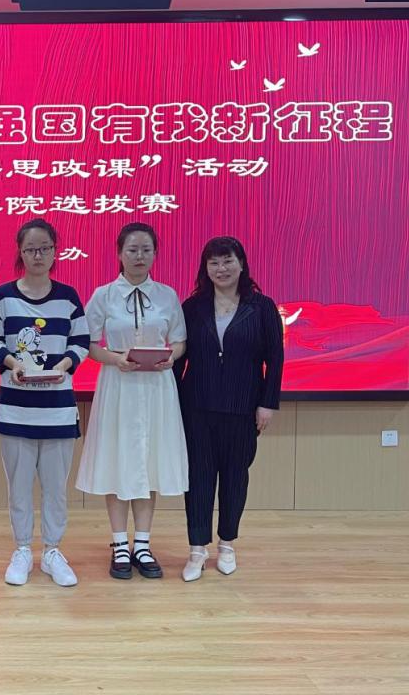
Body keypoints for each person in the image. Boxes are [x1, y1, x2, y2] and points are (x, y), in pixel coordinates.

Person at [75, 222, 188, 580]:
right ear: (119, 253)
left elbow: (180, 340)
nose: (139, 256)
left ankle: (143, 543)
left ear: (155, 254)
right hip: (119, 386)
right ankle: (120, 543)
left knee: (149, 461)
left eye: (146, 250)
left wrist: (171, 357)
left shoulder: (167, 295)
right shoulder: (104, 295)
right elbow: (87, 344)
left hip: (157, 389)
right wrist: (115, 359)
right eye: (132, 250)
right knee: (117, 460)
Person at [0, 219, 90, 587]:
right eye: (31, 249)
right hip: (16, 408)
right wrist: (13, 364)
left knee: (56, 488)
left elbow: (81, 342)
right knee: (19, 485)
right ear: (21, 253)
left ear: (55, 252)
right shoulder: (4, 296)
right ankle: (23, 549)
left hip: (57, 409)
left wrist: (64, 366)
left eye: (44, 248)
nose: (38, 255)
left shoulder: (68, 297)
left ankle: (53, 551)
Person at [175, 236, 284, 581]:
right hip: (197, 407)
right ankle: (197, 549)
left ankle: (227, 544)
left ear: (241, 264)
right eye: (214, 263)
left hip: (243, 407)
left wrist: (267, 403)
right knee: (198, 478)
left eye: (228, 261)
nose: (221, 269)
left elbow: (275, 359)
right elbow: (180, 358)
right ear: (205, 268)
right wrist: (171, 402)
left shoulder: (261, 307)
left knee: (236, 478)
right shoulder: (192, 307)